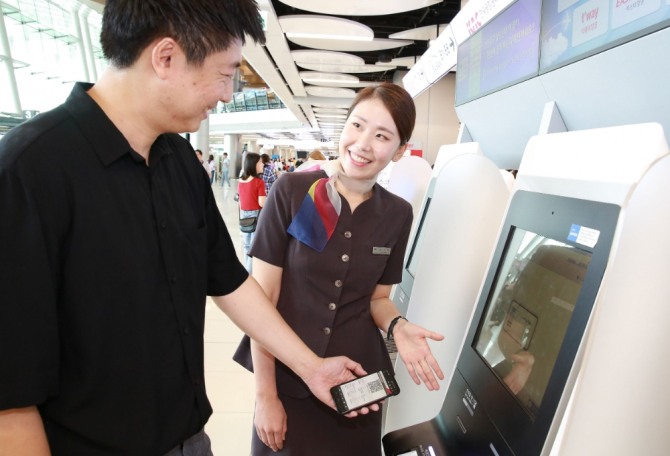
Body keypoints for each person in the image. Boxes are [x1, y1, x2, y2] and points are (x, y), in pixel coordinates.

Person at [0, 1, 371, 455]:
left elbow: (229, 282)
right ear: (166, 57)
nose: (229, 92)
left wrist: (311, 367)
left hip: (190, 440)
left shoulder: (179, 161)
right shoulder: (28, 173)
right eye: (225, 73)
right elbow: (11, 395)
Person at [234, 83, 445, 455]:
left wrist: (398, 326)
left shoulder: (397, 214)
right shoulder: (293, 191)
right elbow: (261, 302)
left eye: (381, 136)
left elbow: (377, 298)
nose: (363, 144)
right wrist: (265, 396)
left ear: (398, 151)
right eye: (358, 126)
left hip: (357, 386)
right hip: (289, 379)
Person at [238, 152, 266, 273]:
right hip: (256, 216)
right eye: (260, 162)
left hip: (244, 216)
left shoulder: (241, 181)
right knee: (254, 248)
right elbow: (262, 203)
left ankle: (245, 272)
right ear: (253, 164)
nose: (262, 164)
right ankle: (249, 274)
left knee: (246, 246)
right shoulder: (259, 182)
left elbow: (241, 201)